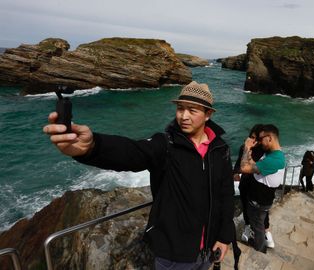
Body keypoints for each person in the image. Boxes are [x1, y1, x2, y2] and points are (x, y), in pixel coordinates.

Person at [43, 81, 235, 270]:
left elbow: (225, 195)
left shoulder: (220, 149)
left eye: (192, 110)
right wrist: (92, 147)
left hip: (209, 249)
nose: (184, 116)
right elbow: (132, 153)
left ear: (208, 114)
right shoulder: (166, 145)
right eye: (180, 108)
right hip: (173, 254)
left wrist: (224, 237)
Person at [239, 124, 285, 253]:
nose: (259, 142)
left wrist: (246, 148)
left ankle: (259, 249)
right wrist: (249, 153)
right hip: (262, 200)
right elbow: (254, 165)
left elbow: (244, 168)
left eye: (260, 138)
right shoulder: (274, 155)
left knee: (258, 227)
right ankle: (261, 244)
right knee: (260, 224)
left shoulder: (273, 159)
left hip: (258, 202)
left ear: (269, 138)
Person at [233, 125, 274, 248]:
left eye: (258, 139)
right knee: (246, 206)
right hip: (246, 183)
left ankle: (266, 231)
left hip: (259, 186)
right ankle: (247, 227)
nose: (254, 141)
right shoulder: (244, 148)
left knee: (262, 211)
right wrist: (235, 172)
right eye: (251, 137)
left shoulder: (266, 152)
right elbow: (239, 163)